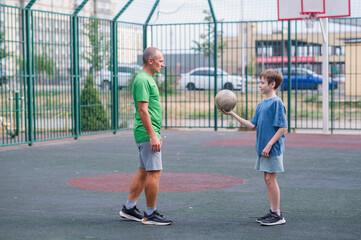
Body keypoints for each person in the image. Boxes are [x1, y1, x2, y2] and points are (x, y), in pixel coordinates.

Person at [220, 69, 288, 226]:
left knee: (271, 179)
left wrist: (269, 145)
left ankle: (277, 215)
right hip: (264, 148)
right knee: (267, 179)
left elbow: (283, 128)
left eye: (262, 83)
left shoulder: (277, 103)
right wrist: (232, 114)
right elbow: (252, 124)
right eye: (260, 82)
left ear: (272, 84)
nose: (259, 85)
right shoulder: (262, 104)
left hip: (272, 148)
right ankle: (273, 211)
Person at [119, 47, 172, 226]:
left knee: (143, 172)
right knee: (154, 172)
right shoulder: (142, 80)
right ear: (151, 61)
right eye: (160, 61)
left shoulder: (147, 79)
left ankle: (129, 208)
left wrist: (155, 133)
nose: (163, 65)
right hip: (146, 133)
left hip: (148, 132)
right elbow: (143, 110)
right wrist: (153, 136)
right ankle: (150, 214)